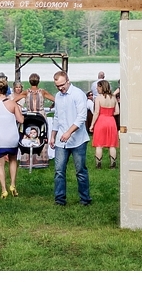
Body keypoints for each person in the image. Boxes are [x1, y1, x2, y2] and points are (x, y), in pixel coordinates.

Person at [50, 71, 91, 207]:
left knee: (80, 170)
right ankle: (59, 199)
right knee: (59, 170)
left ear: (68, 81)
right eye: (57, 86)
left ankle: (85, 199)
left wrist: (69, 132)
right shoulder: (58, 96)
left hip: (78, 140)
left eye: (62, 85)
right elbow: (57, 117)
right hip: (61, 140)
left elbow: (81, 117)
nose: (60, 88)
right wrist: (53, 135)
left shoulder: (78, 94)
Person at [89, 79, 119, 169]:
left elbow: (96, 112)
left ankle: (98, 164)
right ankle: (113, 163)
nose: (97, 88)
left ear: (102, 87)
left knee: (99, 144)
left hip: (101, 121)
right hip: (111, 121)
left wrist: (92, 125)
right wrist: (109, 113)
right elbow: (117, 112)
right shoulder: (113, 98)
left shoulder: (98, 98)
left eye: (98, 87)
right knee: (112, 144)